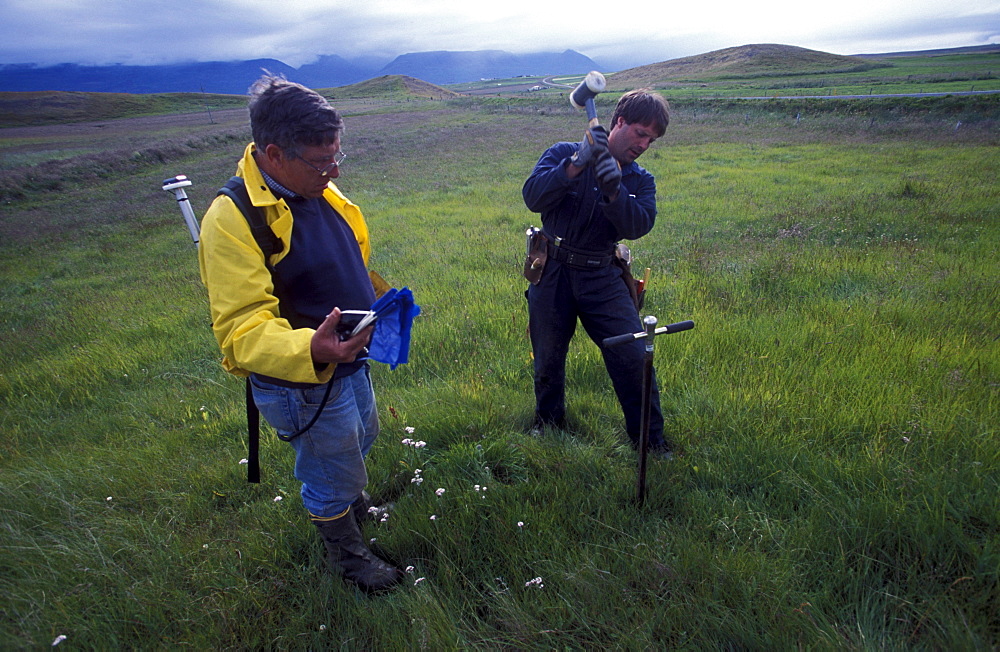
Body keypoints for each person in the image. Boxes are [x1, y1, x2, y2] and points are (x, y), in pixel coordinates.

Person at [198, 74, 402, 592]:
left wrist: (374, 302)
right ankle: (348, 558)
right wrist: (311, 346)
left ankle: (355, 509)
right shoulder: (231, 218)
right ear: (273, 153)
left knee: (362, 437)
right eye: (321, 161)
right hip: (302, 378)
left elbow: (342, 255)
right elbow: (240, 329)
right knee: (331, 468)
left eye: (338, 157)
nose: (334, 171)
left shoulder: (314, 186)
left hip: (347, 357)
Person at [522, 88, 672, 456]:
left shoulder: (640, 180)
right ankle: (549, 424)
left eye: (651, 140)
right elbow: (533, 197)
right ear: (619, 121)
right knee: (548, 357)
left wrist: (614, 191)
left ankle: (650, 442)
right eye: (640, 133)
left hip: (603, 276)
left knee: (633, 357)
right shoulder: (561, 153)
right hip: (552, 270)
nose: (644, 144)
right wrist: (576, 162)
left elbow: (638, 224)